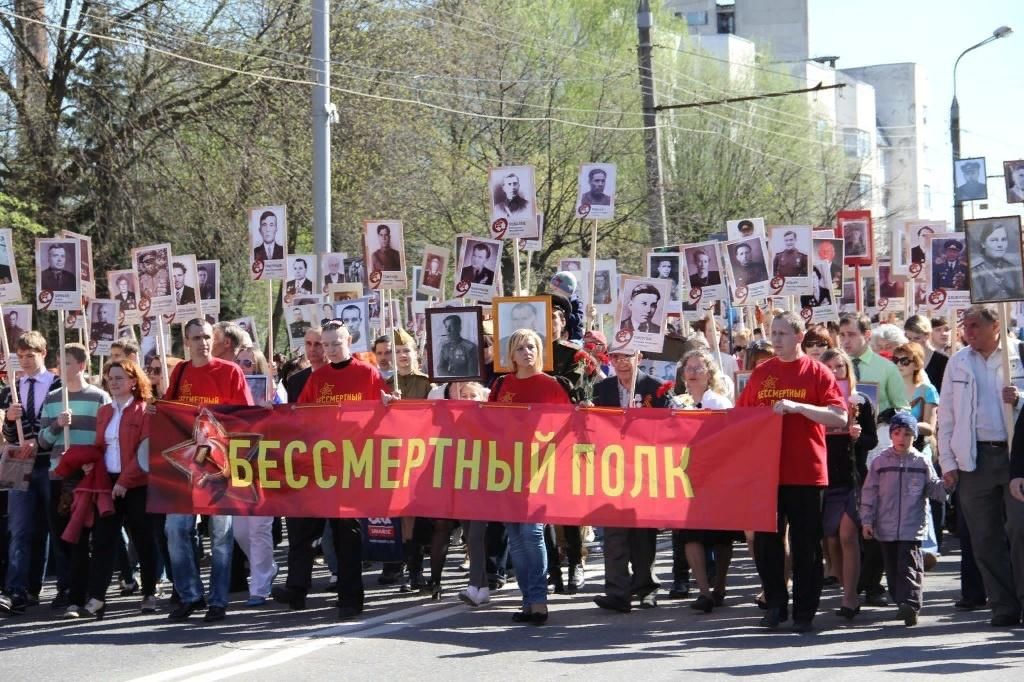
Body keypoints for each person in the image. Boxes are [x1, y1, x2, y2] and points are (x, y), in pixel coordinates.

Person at [735, 311, 847, 632]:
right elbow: (740, 416)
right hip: (768, 471)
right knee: (767, 543)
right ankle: (774, 604)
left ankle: (805, 610)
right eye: (774, 333)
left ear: (799, 337)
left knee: (806, 544)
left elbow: (839, 416)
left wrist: (799, 408)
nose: (777, 339)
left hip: (806, 472)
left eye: (783, 333)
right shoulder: (762, 373)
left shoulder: (817, 372)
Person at [273, 321, 390, 619]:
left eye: (336, 343)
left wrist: (389, 405)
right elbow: (303, 418)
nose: (331, 350)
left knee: (346, 535)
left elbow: (383, 415)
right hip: (321, 466)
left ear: (349, 340)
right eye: (326, 345)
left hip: (353, 465)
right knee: (303, 527)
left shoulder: (368, 373)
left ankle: (350, 599)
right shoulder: (318, 378)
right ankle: (297, 588)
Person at [937, 304, 1024, 627]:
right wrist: (947, 460)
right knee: (984, 537)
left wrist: (1020, 398)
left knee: (1019, 529)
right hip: (974, 459)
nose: (968, 332)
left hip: (1017, 455)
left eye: (975, 325)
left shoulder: (1020, 354)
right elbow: (946, 415)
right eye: (965, 326)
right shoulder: (958, 362)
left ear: (995, 326)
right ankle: (1003, 605)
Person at [163, 319, 254, 623]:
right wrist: (156, 409)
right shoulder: (180, 372)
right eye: (195, 337)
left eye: (206, 336)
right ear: (186, 342)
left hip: (220, 466)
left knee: (220, 536)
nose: (202, 342)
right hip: (186, 465)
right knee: (176, 530)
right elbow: (169, 411)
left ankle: (218, 600)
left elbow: (246, 416)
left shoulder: (230, 371)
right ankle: (190, 595)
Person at [489, 329, 571, 625]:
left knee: (532, 533)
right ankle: (527, 600)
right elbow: (488, 422)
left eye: (533, 347)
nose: (528, 352)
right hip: (507, 469)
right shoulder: (502, 384)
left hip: (539, 469)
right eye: (521, 348)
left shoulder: (551, 386)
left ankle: (538, 600)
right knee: (515, 537)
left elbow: (568, 425)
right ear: (511, 355)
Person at [65, 359, 157, 619]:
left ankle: (149, 591)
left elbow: (145, 450)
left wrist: (124, 482)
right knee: (103, 541)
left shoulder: (144, 410)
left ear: (133, 381)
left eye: (119, 377)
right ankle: (96, 599)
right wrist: (89, 465)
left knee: (143, 539)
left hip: (137, 484)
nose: (114, 382)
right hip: (108, 483)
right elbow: (99, 445)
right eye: (110, 377)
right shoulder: (104, 411)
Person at [591, 350, 669, 614]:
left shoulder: (655, 388)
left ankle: (646, 588)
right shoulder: (601, 389)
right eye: (615, 357)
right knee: (613, 534)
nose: (621, 362)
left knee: (642, 534)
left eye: (627, 356)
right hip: (611, 471)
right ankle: (617, 591)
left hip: (644, 471)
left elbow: (670, 428)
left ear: (639, 356)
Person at [861, 412, 948, 626]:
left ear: (914, 436)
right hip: (886, 526)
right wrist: (867, 520)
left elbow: (935, 490)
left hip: (912, 525)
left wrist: (947, 482)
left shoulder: (921, 461)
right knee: (892, 567)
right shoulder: (880, 462)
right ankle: (901, 601)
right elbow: (869, 493)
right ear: (891, 435)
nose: (902, 438)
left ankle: (910, 603)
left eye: (908, 434)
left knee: (909, 564)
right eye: (897, 433)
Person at [0, 332, 61, 616]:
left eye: (30, 355)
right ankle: (17, 589)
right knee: (20, 528)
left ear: (43, 353)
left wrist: (40, 440)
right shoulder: (11, 387)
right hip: (19, 463)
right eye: (21, 356)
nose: (25, 361)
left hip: (49, 461)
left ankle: (61, 585)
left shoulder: (57, 385)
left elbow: (61, 424)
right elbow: (10, 434)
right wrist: (10, 421)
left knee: (53, 525)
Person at [674, 350, 738, 614]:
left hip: (717, 475)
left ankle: (720, 586)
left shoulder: (719, 403)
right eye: (688, 367)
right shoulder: (677, 403)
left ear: (709, 373)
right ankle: (703, 590)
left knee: (720, 536)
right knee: (691, 534)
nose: (692, 372)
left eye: (698, 368)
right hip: (688, 474)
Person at [819, 348, 877, 620]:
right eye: (829, 367)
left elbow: (872, 441)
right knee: (830, 538)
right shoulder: (817, 401)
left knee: (847, 535)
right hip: (825, 476)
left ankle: (850, 596)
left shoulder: (861, 400)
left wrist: (857, 435)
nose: (835, 371)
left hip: (853, 475)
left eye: (840, 366)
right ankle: (846, 586)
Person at [230, 346, 280, 607]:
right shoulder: (230, 389)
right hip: (239, 464)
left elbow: (289, 421)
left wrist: (271, 409)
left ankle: (258, 587)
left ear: (258, 366)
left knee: (259, 528)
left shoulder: (274, 391)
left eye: (247, 362)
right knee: (240, 531)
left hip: (265, 465)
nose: (242, 366)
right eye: (238, 362)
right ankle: (268, 567)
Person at [838, 312, 909, 415]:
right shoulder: (832, 367)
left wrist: (887, 418)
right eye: (842, 335)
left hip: (878, 429)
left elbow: (903, 409)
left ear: (867, 335)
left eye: (851, 335)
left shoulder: (888, 368)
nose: (845, 341)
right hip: (841, 429)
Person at [971, 222, 1024, 301]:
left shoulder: (1012, 268)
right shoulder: (975, 270)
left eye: (1003, 239)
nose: (1000, 244)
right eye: (994, 240)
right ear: (983, 244)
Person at [904, 316, 948, 391]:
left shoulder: (942, 360)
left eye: (917, 338)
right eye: (909, 338)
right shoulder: (904, 359)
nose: (912, 342)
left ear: (927, 335)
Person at [499, 303, 546, 367]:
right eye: (515, 319)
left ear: (534, 318)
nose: (519, 323)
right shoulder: (503, 343)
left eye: (524, 318)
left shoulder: (545, 341)